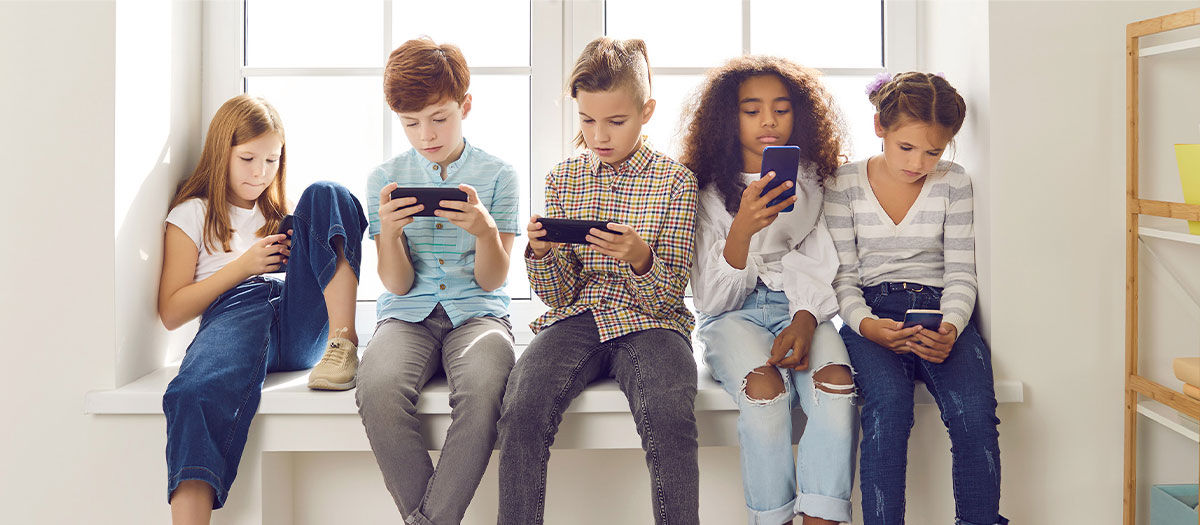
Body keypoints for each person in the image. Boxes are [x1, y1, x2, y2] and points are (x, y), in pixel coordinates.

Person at [496, 37, 700, 525]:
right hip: (578, 315)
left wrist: (640, 258)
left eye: (615, 121)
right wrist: (542, 253)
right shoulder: (563, 178)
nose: (599, 135)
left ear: (646, 111)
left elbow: (669, 296)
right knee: (521, 409)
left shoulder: (676, 182)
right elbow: (557, 294)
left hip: (653, 322)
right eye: (587, 121)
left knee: (671, 417)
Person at [158, 94, 367, 523]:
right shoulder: (193, 214)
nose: (260, 172)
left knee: (327, 193)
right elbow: (171, 311)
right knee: (192, 392)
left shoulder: (281, 214)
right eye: (248, 158)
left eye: (272, 161)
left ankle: (344, 342)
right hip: (233, 313)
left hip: (297, 320)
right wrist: (243, 267)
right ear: (222, 153)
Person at [824, 71, 1006, 525]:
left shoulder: (953, 182)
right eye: (907, 148)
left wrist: (951, 327)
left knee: (975, 416)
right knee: (888, 409)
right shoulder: (843, 184)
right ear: (879, 129)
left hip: (940, 313)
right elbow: (842, 279)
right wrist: (867, 326)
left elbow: (962, 273)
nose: (919, 162)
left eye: (933, 151)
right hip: (869, 315)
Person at [681, 55, 857, 525]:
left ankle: (821, 519)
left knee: (836, 383)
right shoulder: (701, 191)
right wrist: (741, 230)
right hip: (732, 315)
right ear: (727, 117)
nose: (768, 121)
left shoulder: (814, 181)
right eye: (751, 109)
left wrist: (804, 317)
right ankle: (772, 518)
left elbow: (822, 258)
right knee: (763, 391)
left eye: (781, 109)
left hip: (802, 306)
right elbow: (712, 301)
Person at [353, 37, 521, 525]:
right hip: (407, 315)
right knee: (377, 385)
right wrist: (390, 235)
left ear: (465, 106)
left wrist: (487, 232)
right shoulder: (384, 178)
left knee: (489, 385)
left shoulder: (498, 175)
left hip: (479, 313)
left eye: (439, 118)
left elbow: (493, 281)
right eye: (410, 123)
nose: (425, 134)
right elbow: (397, 285)